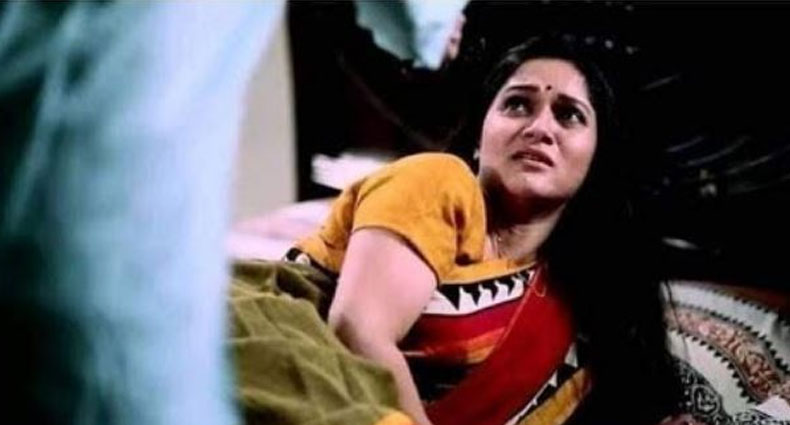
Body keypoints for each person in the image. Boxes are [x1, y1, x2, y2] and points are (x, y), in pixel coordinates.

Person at [281, 35, 686, 425]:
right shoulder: (437, 179)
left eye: (568, 115)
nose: (540, 127)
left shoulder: (584, 308)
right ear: (479, 137)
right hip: (283, 377)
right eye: (517, 105)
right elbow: (356, 329)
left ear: (596, 156)